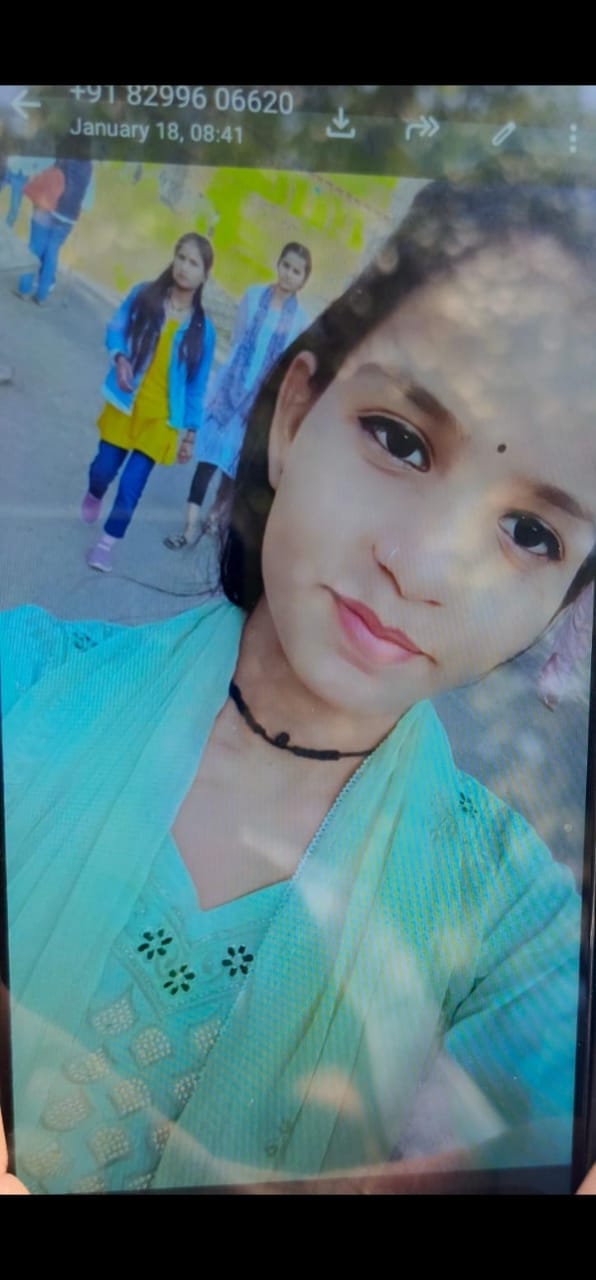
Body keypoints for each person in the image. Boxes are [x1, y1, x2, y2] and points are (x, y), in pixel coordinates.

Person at [1, 175, 595, 1195]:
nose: (420, 565)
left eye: (529, 533)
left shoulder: (518, 927)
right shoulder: (23, 686)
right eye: (399, 439)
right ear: (295, 414)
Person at [81, 233, 215, 573]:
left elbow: (197, 385)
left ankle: (107, 544)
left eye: (194, 263)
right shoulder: (145, 295)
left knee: (131, 487)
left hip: (161, 419)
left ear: (204, 275)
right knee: (102, 470)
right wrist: (120, 357)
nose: (184, 267)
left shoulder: (203, 330)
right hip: (126, 402)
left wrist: (190, 433)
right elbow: (116, 328)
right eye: (181, 258)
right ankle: (95, 492)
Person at [164, 242, 311, 550]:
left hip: (257, 406)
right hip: (229, 393)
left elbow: (287, 367)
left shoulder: (300, 321)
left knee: (233, 471)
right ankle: (188, 530)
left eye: (296, 271)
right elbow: (237, 341)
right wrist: (224, 388)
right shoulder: (254, 296)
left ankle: (215, 517)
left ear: (303, 280)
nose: (288, 274)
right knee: (207, 462)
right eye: (286, 266)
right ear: (278, 265)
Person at [15, 156, 93, 305]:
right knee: (52, 253)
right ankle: (41, 296)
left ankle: (24, 289)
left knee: (35, 248)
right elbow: (88, 202)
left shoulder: (62, 156)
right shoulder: (89, 167)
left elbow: (40, 171)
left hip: (47, 208)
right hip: (68, 217)